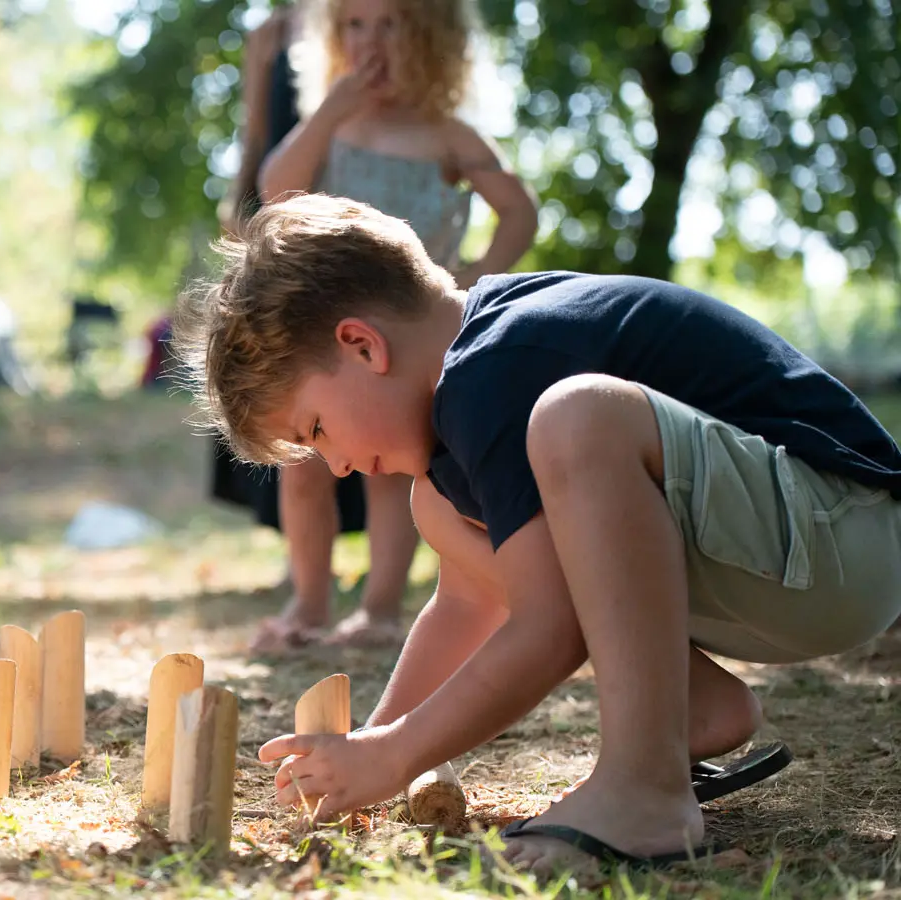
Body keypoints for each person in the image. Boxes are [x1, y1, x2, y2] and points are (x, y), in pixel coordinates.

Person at [174, 193, 901, 877]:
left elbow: (551, 628)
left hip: (845, 532)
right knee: (440, 507)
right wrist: (370, 750)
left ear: (362, 345)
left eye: (318, 430)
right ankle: (690, 711)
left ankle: (645, 790)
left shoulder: (495, 369)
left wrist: (395, 754)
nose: (334, 464)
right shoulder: (469, 396)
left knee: (578, 416)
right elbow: (466, 603)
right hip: (797, 562)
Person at [244, 0, 538, 652]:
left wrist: (478, 273)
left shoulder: (448, 135)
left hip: (403, 334)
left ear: (430, 38)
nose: (370, 41)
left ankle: (378, 608)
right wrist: (328, 111)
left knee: (391, 468)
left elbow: (518, 210)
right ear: (332, 37)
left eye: (390, 24)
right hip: (325, 332)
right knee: (304, 466)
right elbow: (276, 190)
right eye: (354, 24)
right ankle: (309, 601)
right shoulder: (334, 127)